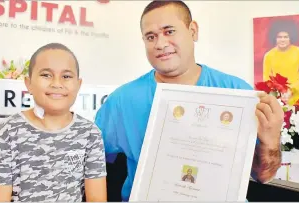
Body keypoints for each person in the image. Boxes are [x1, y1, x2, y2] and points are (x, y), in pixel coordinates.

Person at [95, 1, 283, 201]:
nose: (160, 44)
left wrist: (270, 140)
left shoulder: (237, 93)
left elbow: (263, 175)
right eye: (151, 37)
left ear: (193, 31)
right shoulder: (122, 101)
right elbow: (91, 162)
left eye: (169, 31)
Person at [0, 43, 107, 202]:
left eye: (66, 76)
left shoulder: (90, 133)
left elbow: (97, 198)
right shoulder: (8, 131)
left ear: (78, 84)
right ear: (28, 84)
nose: (56, 83)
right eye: (46, 75)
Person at [263, 19, 299, 104]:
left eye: (286, 37)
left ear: (291, 38)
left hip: (297, 97)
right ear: (275, 38)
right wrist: (278, 91)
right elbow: (266, 78)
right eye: (279, 37)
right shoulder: (269, 55)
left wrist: (291, 90)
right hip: (277, 97)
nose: (282, 40)